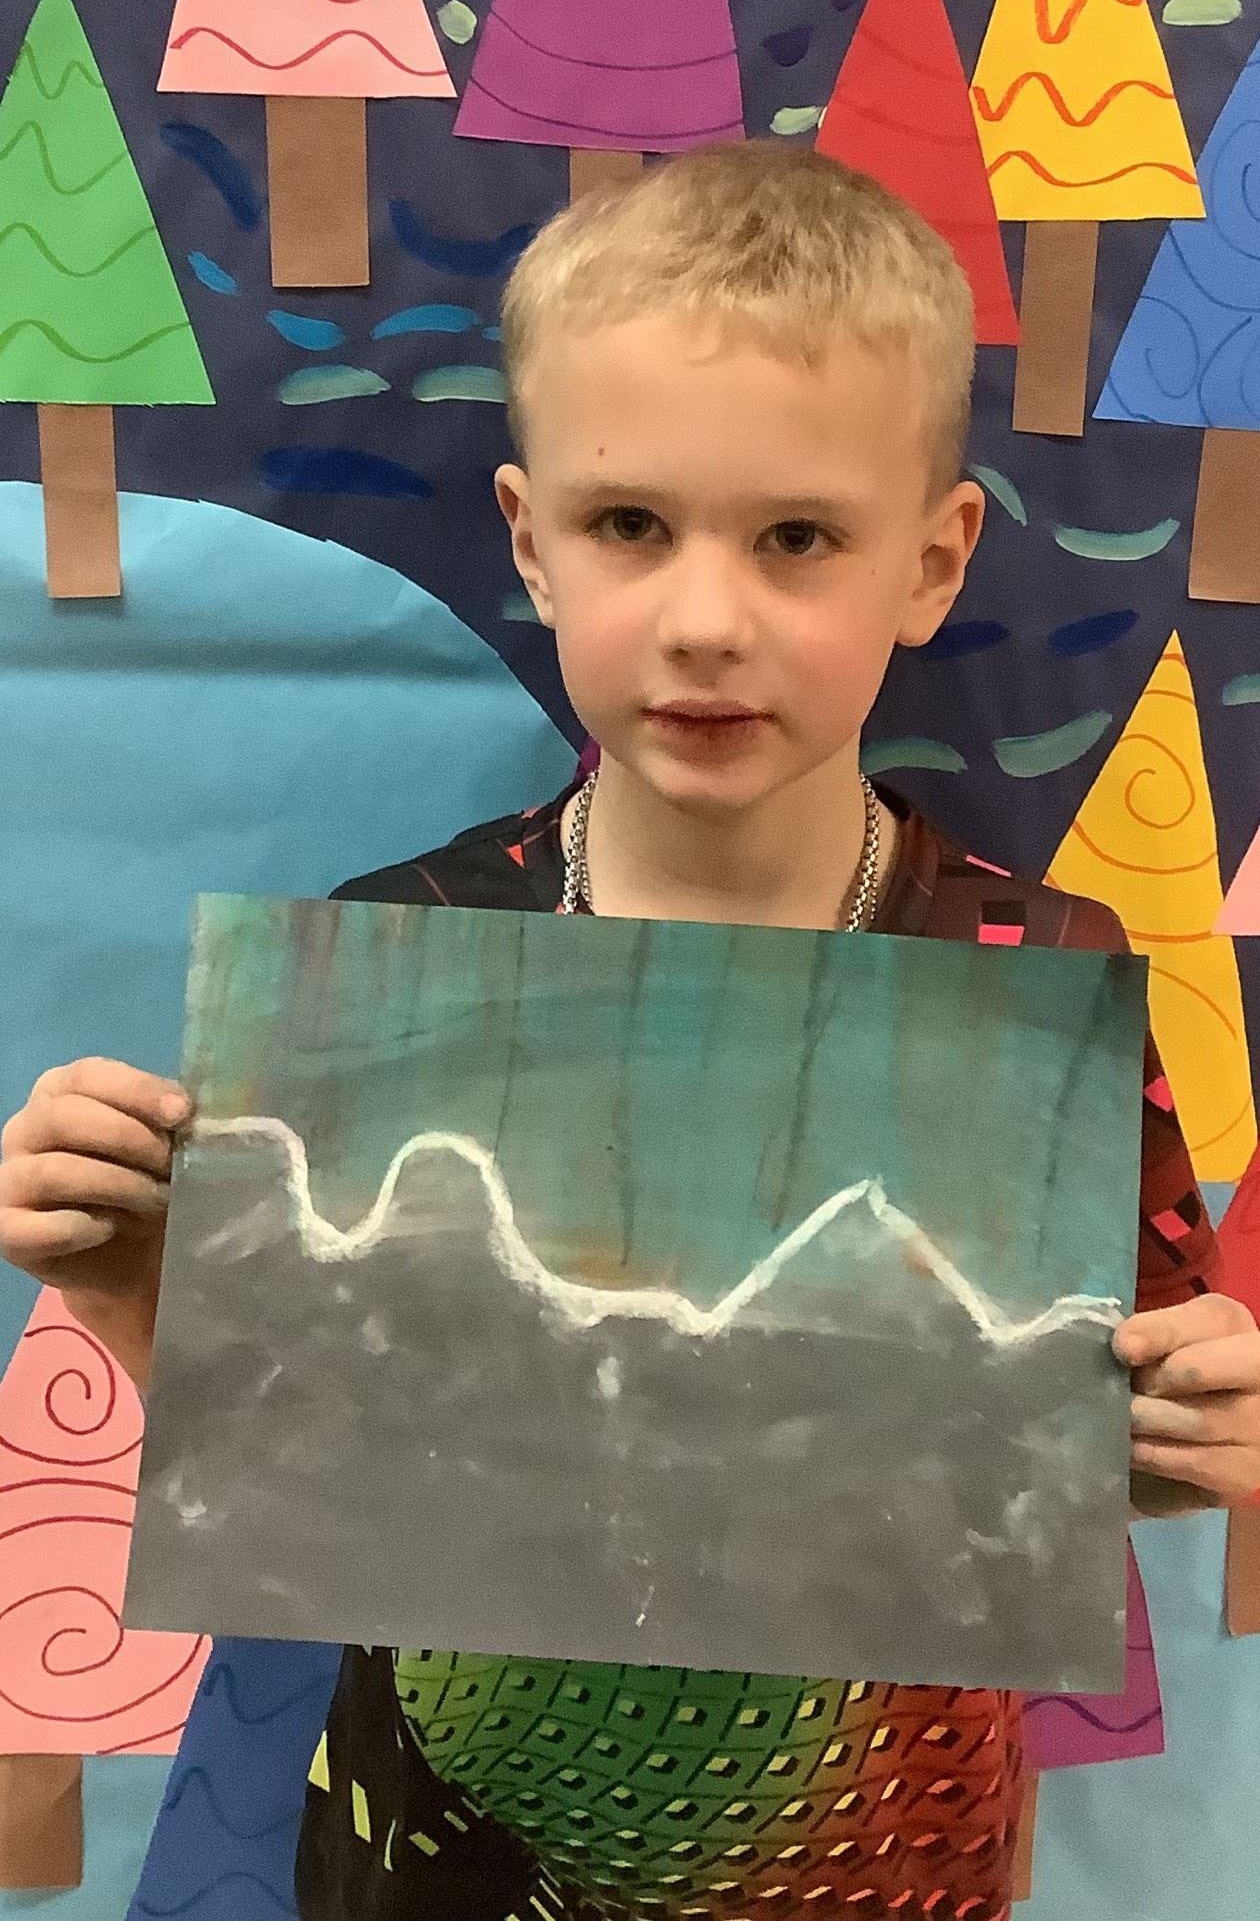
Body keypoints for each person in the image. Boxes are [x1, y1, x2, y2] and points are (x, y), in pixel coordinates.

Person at [3, 144, 1259, 1921]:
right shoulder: (401, 959)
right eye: (630, 526)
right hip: (438, 1855)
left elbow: (1084, 1452)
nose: (705, 619)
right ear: (532, 540)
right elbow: (310, 1452)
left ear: (932, 560)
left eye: (797, 537)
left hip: (870, 1862)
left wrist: (1197, 1434)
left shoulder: (1037, 976)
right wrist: (134, 1280)